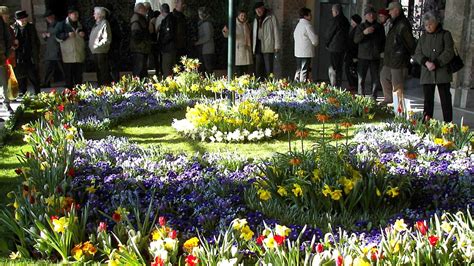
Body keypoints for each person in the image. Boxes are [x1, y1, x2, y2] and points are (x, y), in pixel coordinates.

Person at [413, 11, 454, 122]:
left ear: (436, 23)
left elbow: (449, 52)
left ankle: (448, 123)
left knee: (445, 100)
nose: (428, 27)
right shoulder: (423, 38)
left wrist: (436, 63)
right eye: (426, 25)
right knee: (428, 100)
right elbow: (417, 53)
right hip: (427, 72)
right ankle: (426, 122)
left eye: (430, 24)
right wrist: (426, 62)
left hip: (442, 72)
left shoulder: (445, 34)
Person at [380, 2, 416, 111]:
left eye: (390, 10)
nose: (389, 13)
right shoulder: (395, 23)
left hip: (399, 61)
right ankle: (388, 99)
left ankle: (399, 109)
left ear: (396, 10)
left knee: (397, 86)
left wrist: (406, 57)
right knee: (384, 76)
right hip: (390, 59)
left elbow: (410, 43)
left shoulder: (403, 25)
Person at [354, 7, 385, 98]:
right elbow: (356, 40)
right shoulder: (361, 26)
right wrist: (364, 33)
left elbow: (383, 40)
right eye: (368, 14)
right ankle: (361, 96)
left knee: (375, 78)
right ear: (365, 16)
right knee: (361, 78)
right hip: (363, 56)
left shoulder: (379, 27)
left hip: (375, 56)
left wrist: (381, 52)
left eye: (372, 14)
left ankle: (373, 96)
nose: (371, 16)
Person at [56, 8, 86, 88]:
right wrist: (67, 35)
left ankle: (79, 93)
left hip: (79, 54)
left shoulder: (81, 24)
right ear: (69, 15)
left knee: (79, 76)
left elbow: (88, 35)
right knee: (68, 76)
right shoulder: (62, 24)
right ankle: (70, 94)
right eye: (74, 14)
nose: (76, 16)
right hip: (68, 55)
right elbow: (57, 36)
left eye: (77, 14)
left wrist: (84, 34)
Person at [12, 10, 40, 96]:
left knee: (33, 76)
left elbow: (36, 41)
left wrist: (36, 53)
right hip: (19, 56)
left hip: (29, 55)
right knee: (20, 76)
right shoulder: (13, 28)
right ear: (16, 20)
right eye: (21, 20)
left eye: (25, 19)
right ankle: (22, 92)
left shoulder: (31, 27)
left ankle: (37, 93)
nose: (24, 21)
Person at [252, 1, 281, 79]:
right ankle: (259, 84)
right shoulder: (255, 19)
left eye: (259, 9)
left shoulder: (271, 17)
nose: (258, 11)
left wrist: (277, 45)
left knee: (269, 68)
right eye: (256, 10)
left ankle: (269, 84)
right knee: (258, 68)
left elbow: (276, 31)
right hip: (258, 46)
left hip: (268, 45)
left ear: (263, 8)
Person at [325, 4, 350, 87]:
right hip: (343, 48)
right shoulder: (346, 20)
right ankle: (339, 85)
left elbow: (330, 33)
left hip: (334, 47)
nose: (332, 13)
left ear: (336, 11)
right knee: (339, 68)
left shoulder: (335, 20)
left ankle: (334, 85)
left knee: (333, 67)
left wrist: (327, 43)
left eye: (332, 11)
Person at [222, 10, 253, 76]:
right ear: (238, 16)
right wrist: (225, 31)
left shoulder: (247, 24)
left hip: (246, 49)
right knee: (239, 70)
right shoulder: (233, 24)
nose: (243, 17)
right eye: (241, 15)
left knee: (246, 70)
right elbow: (226, 35)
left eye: (244, 16)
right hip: (238, 50)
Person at [293, 7, 318, 82]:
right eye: (310, 14)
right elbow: (315, 41)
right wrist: (317, 37)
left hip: (298, 52)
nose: (311, 16)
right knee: (304, 71)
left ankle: (296, 86)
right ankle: (302, 88)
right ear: (305, 16)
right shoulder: (308, 26)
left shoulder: (298, 25)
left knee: (298, 70)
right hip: (306, 52)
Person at [89, 7, 112, 86]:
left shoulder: (104, 23)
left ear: (99, 15)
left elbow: (106, 38)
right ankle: (101, 85)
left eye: (95, 13)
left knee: (103, 70)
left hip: (101, 50)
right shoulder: (97, 24)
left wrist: (97, 45)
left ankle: (105, 86)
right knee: (98, 70)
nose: (93, 15)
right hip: (96, 51)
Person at [41, 10, 63, 88]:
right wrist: (45, 37)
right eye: (47, 18)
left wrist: (51, 34)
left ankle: (69, 82)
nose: (48, 19)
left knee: (63, 68)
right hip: (50, 51)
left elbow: (60, 35)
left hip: (57, 50)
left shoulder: (59, 24)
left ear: (53, 16)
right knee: (48, 68)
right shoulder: (50, 26)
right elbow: (49, 38)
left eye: (49, 17)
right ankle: (46, 83)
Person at [130, 3, 151, 79]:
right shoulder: (137, 19)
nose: (146, 11)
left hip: (141, 48)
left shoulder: (139, 18)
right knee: (139, 69)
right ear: (140, 9)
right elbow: (135, 34)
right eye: (144, 9)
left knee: (142, 69)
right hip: (139, 48)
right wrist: (144, 41)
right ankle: (137, 87)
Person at [195, 7, 215, 74]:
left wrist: (197, 42)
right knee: (205, 67)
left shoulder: (207, 24)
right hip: (205, 49)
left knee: (208, 67)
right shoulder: (203, 23)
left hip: (207, 49)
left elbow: (207, 36)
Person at [0, 6, 13, 114]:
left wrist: (7, 53)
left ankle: (6, 104)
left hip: (2, 58)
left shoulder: (3, 24)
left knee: (4, 82)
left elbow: (8, 39)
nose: (7, 16)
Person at [158, 4, 176, 77]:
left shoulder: (167, 20)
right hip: (172, 47)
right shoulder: (173, 18)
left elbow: (168, 34)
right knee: (172, 69)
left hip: (168, 48)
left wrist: (162, 43)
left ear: (162, 11)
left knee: (167, 69)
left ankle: (168, 87)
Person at [345, 14, 361, 92]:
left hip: (353, 54)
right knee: (349, 69)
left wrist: (355, 56)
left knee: (351, 70)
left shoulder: (357, 30)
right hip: (350, 53)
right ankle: (352, 85)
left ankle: (353, 85)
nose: (351, 22)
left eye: (352, 20)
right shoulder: (354, 29)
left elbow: (355, 44)